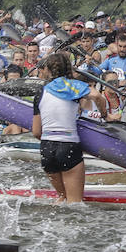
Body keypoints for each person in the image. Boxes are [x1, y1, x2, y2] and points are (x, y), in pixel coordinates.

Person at [32, 53, 105, 203]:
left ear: (47, 70)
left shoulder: (40, 92)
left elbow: (36, 132)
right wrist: (106, 116)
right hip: (68, 146)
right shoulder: (74, 86)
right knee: (74, 204)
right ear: (69, 70)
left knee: (62, 198)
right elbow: (97, 96)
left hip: (46, 149)